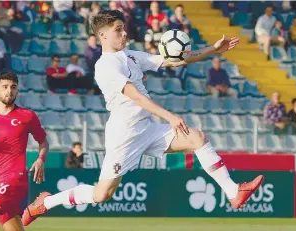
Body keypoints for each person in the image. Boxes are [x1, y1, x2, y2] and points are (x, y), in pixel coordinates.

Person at [21, 10, 263, 226]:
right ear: (103, 35)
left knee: (197, 138)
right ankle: (47, 202)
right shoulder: (105, 65)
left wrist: (213, 49)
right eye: (118, 30)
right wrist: (169, 116)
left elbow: (174, 60)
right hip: (123, 135)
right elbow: (135, 96)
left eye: (123, 27)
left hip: (145, 128)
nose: (124, 33)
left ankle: (233, 192)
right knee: (101, 195)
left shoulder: (131, 56)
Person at [0, 71, 49, 231]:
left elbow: (43, 142)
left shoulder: (26, 116)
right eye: (5, 87)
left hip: (13, 178)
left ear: (17, 90)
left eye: (13, 87)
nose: (9, 91)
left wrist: (41, 159)